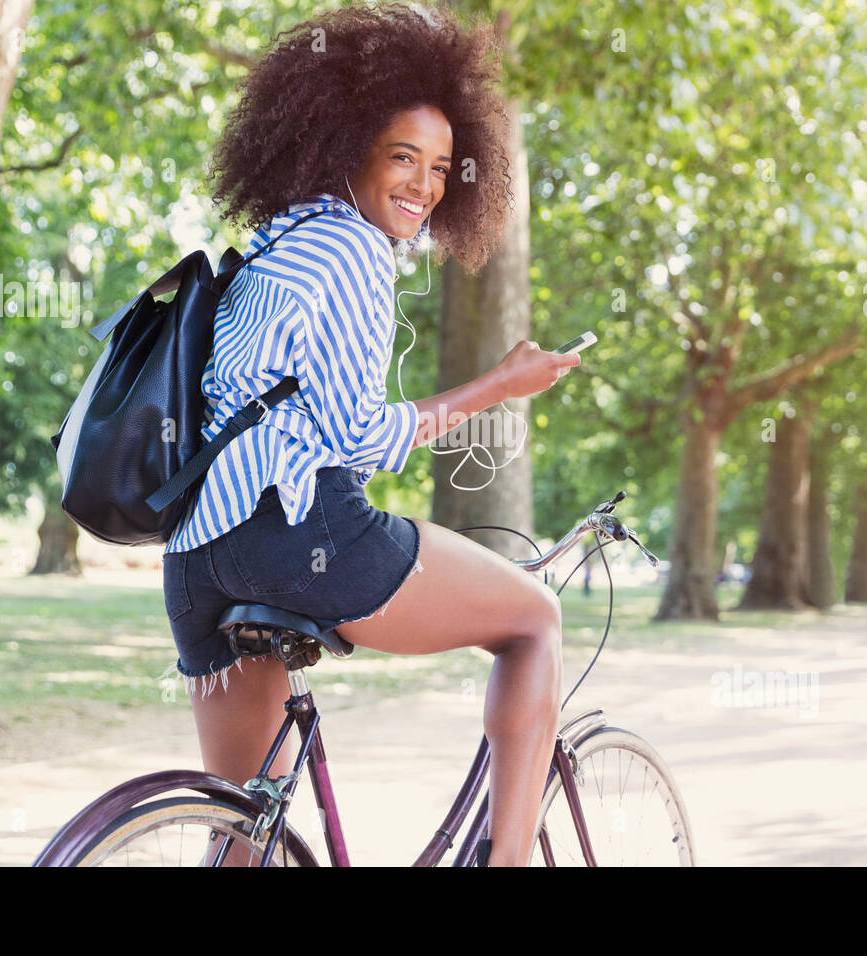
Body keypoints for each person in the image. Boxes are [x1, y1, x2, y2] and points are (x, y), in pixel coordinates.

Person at [159, 3, 580, 867]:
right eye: (402, 157)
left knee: (242, 837)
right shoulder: (352, 252)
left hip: (198, 557)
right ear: (348, 144)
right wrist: (501, 384)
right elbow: (357, 438)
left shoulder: (276, 247)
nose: (425, 186)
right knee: (534, 617)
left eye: (440, 168)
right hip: (297, 536)